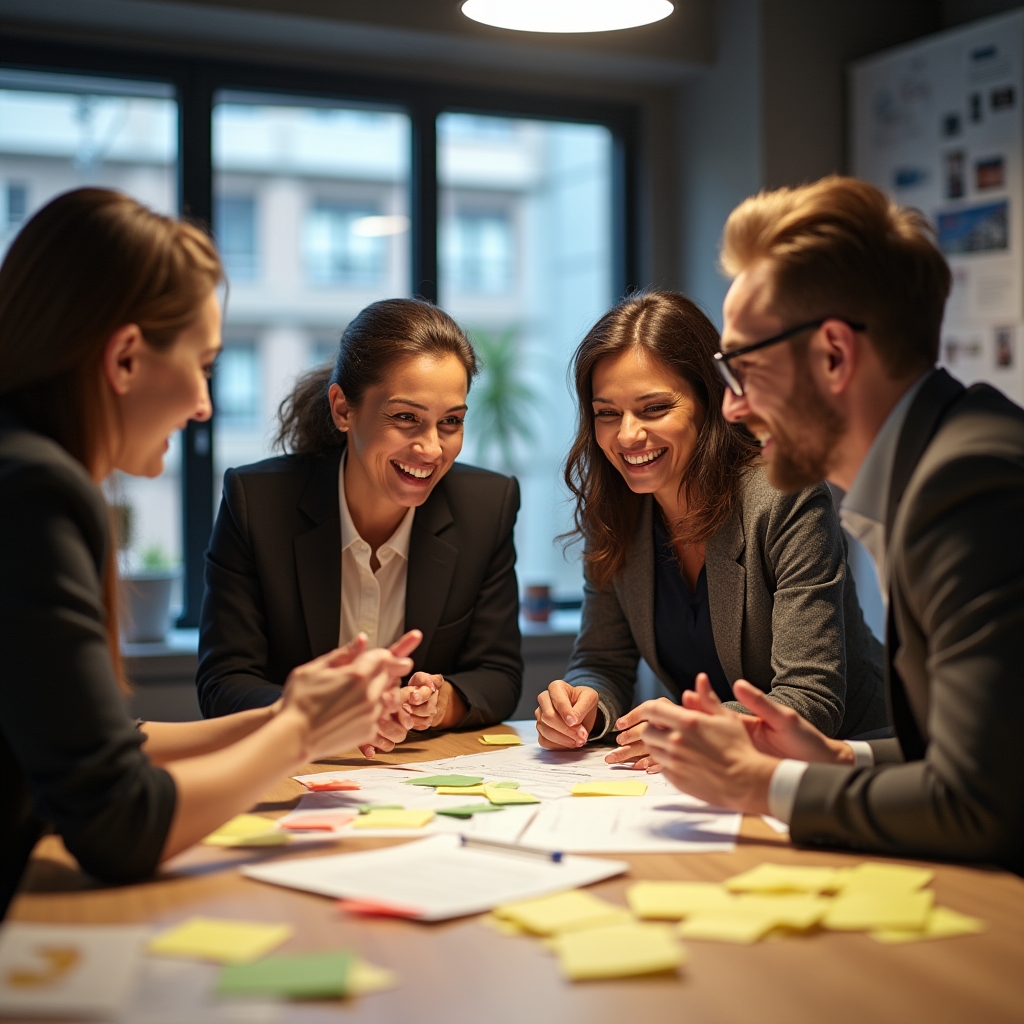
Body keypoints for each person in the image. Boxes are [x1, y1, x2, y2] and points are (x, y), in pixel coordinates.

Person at [0, 189, 415, 919]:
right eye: (204, 364)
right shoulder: (36, 489)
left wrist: (290, 708)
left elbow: (103, 741)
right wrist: (301, 732)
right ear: (125, 357)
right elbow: (120, 823)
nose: (203, 404)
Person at [642, 177, 1024, 873]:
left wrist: (757, 783)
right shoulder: (944, 455)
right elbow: (990, 747)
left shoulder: (967, 490)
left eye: (745, 369)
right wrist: (842, 757)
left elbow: (981, 802)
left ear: (834, 355)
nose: (732, 409)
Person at [534, 291, 887, 766]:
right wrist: (582, 709)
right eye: (607, 413)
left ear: (709, 401)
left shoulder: (786, 497)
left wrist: (689, 726)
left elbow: (811, 701)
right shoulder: (615, 509)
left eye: (654, 408)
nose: (627, 435)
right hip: (718, 772)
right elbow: (602, 663)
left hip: (851, 760)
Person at [197, 298, 522, 753]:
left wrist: (441, 702)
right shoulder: (258, 502)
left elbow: (499, 673)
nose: (431, 449)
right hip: (294, 770)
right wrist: (324, 720)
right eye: (405, 418)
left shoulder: (486, 505)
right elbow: (224, 682)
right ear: (343, 410)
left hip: (419, 773)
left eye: (450, 422)